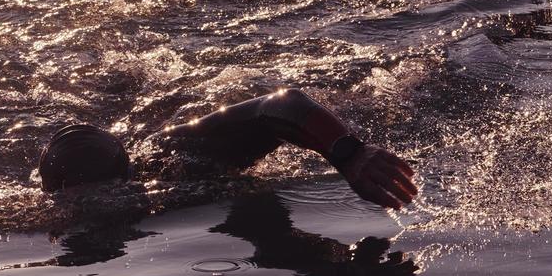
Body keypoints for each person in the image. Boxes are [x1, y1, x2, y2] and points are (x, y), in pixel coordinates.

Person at [36, 88, 419, 210]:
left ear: (128, 182)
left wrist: (348, 152)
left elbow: (284, 103)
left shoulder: (184, 156)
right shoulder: (45, 213)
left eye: (100, 199)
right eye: (68, 202)